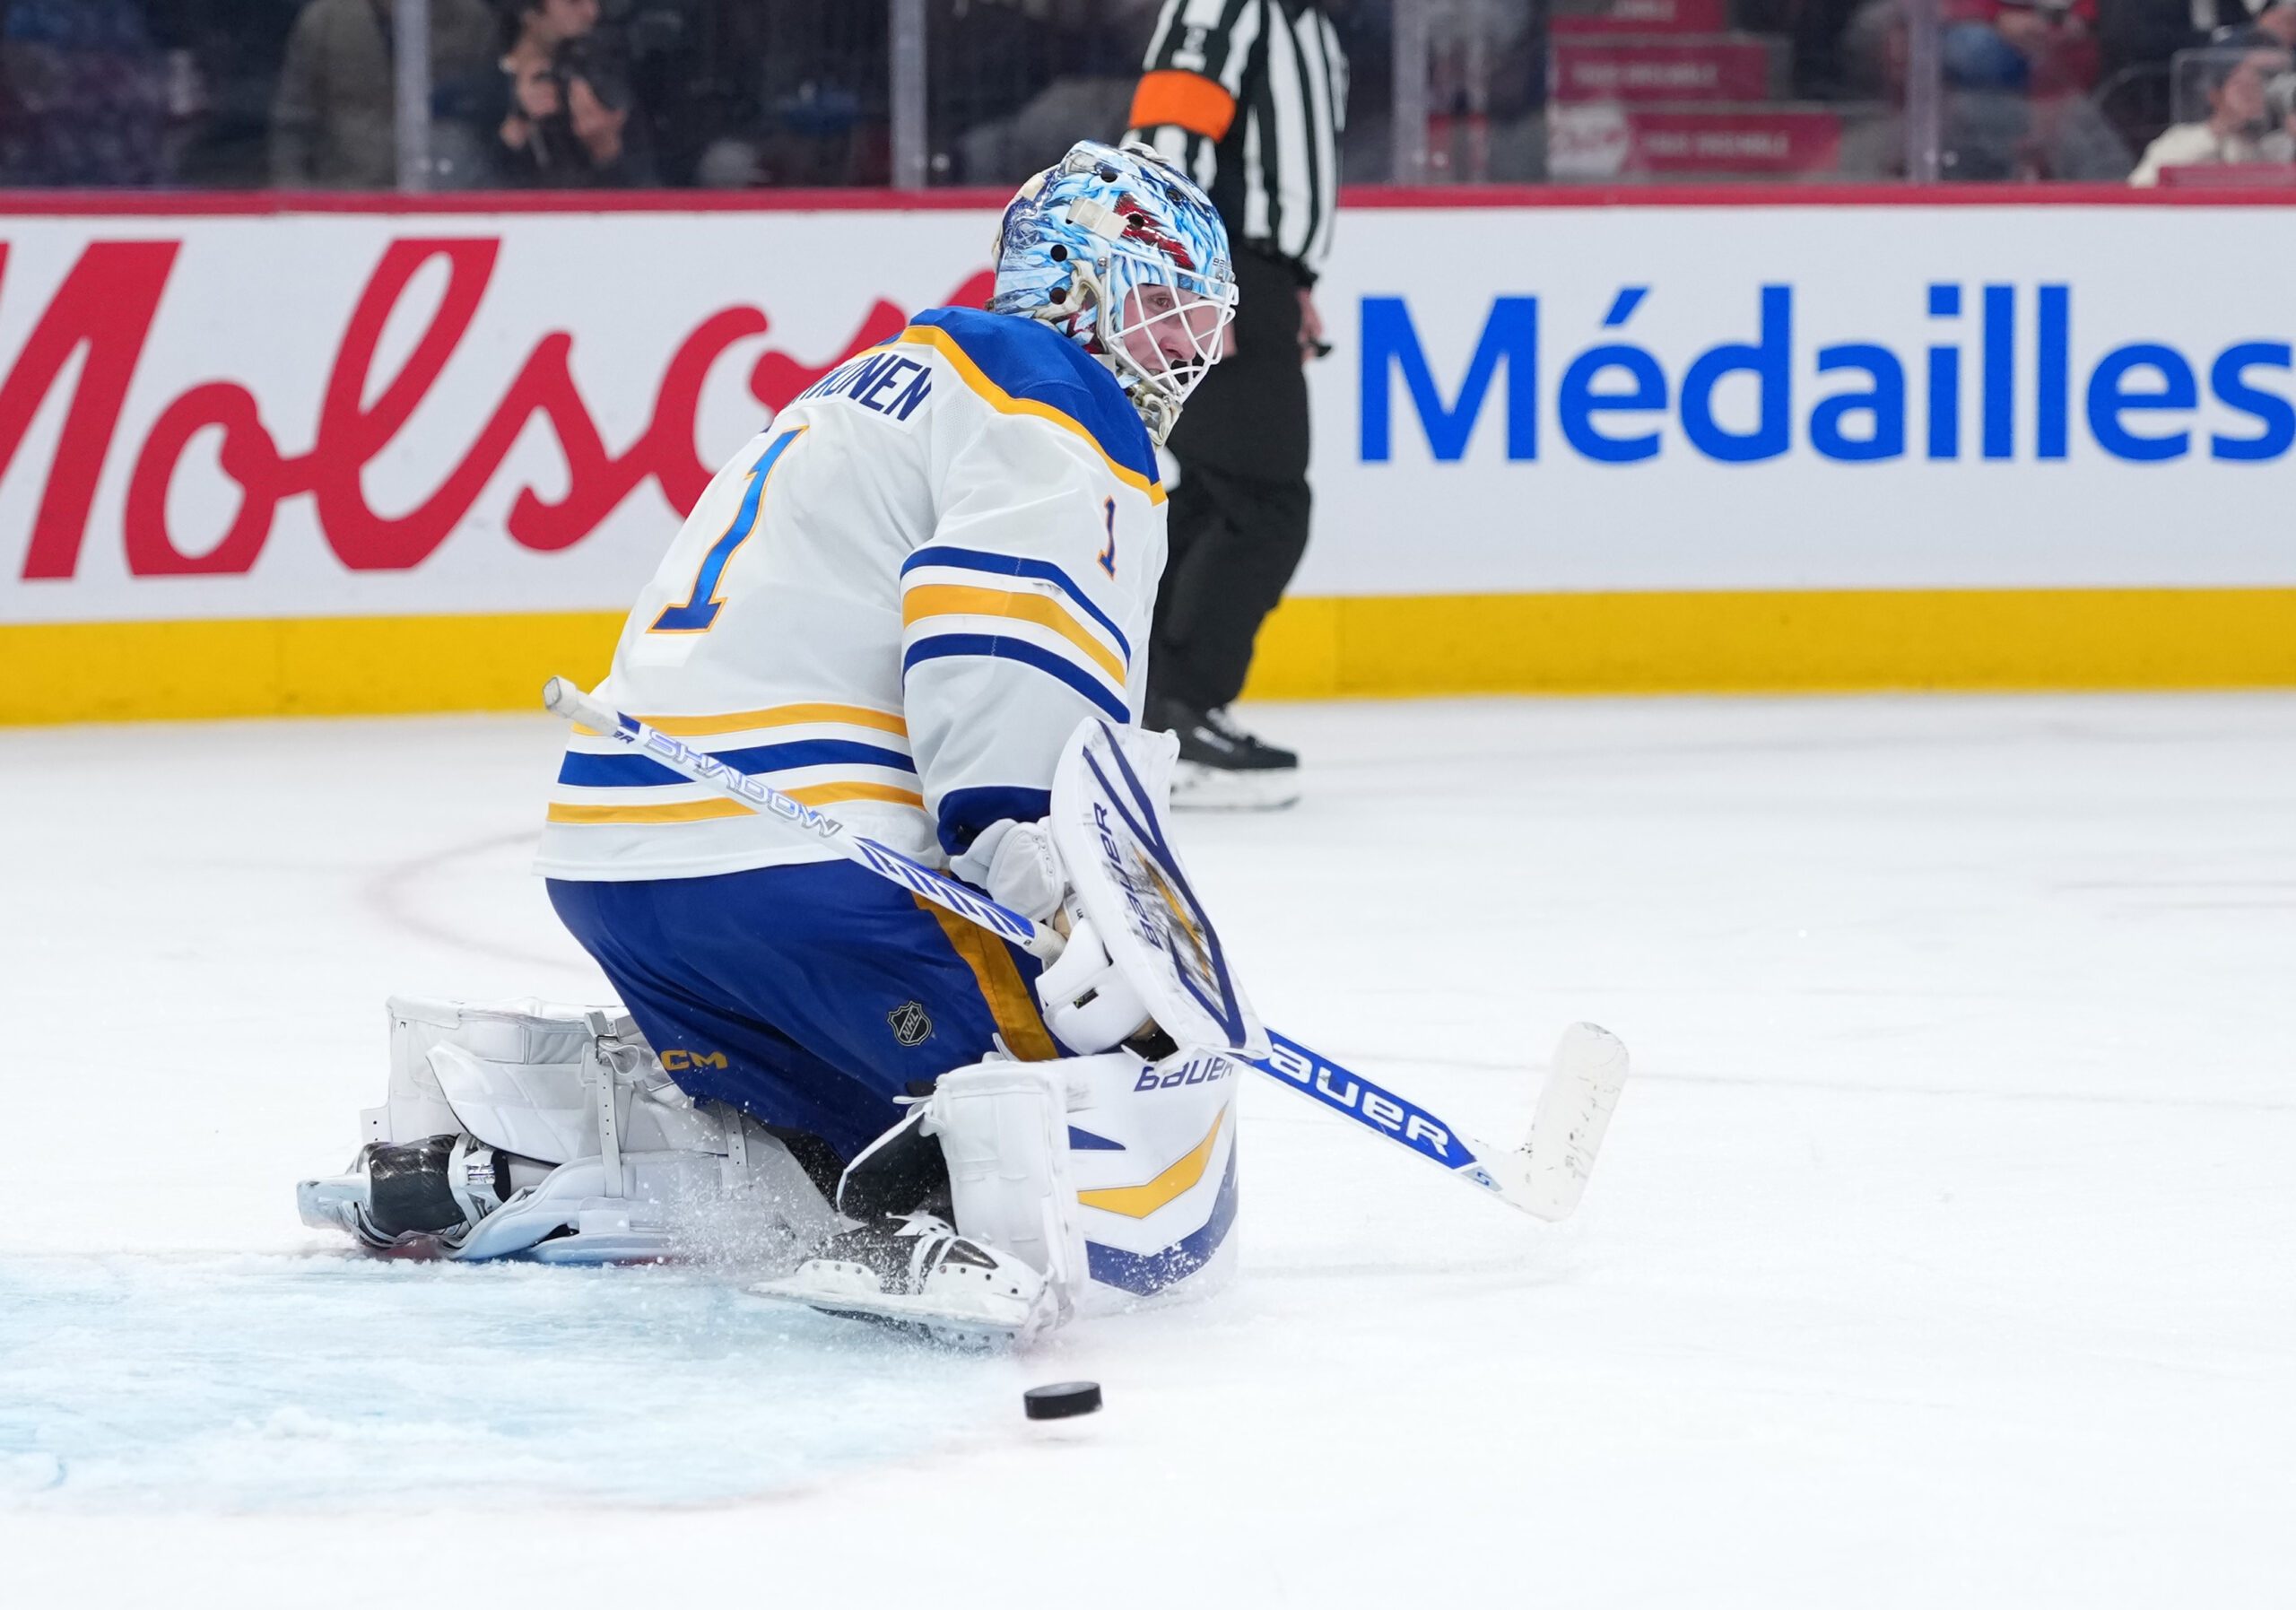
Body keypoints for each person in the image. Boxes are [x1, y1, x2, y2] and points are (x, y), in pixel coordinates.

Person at [298, 140, 1243, 1345]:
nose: (1183, 355)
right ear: (1073, 282)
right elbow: (999, 627)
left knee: (805, 1086)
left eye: (1193, 326)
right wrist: (1035, 860)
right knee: (1095, 1048)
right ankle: (940, 1197)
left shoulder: (862, 386)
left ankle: (569, 1147)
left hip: (619, 866)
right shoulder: (1057, 397)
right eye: (1162, 312)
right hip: (804, 865)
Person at [1126, 0, 1349, 810]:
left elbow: (1282, 179)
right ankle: (1177, 711)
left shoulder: (1309, 24)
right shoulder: (1226, 6)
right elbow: (1164, 140)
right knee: (1264, 502)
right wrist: (1177, 282)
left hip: (1253, 277)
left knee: (1224, 496)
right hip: (1211, 274)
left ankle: (1148, 705)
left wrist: (1294, 284)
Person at [271, 0, 493, 188]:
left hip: (448, 201)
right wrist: (295, 204)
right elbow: (293, 125)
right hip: (346, 199)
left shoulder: (470, 20)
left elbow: (486, 117)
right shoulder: (326, 19)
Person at [486, 0, 646, 187]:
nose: (592, 12)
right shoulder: (480, 94)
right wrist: (515, 131)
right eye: (574, 2)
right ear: (529, 10)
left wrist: (606, 149)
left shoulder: (609, 87)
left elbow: (655, 198)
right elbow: (468, 188)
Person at [2129, 43, 2282, 181]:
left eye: (2257, 87)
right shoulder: (2180, 139)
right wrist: (2220, 128)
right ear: (2215, 94)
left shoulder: (2269, 147)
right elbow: (2142, 183)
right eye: (2241, 86)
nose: (2250, 94)